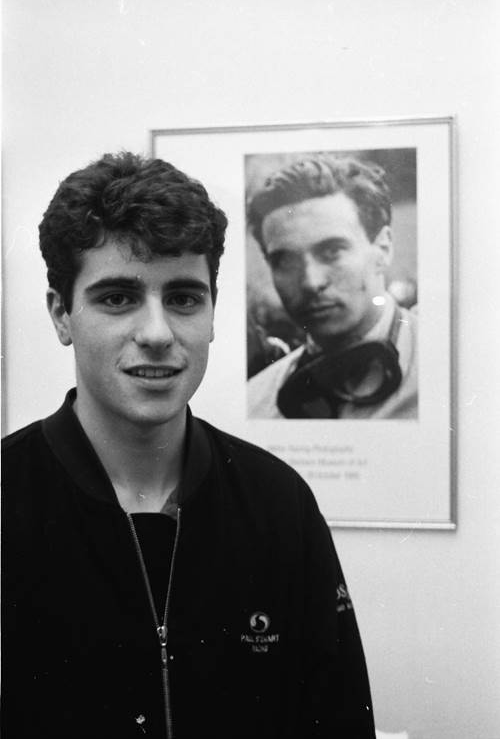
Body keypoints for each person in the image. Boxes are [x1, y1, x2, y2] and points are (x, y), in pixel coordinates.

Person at [1, 152, 376, 739]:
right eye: (118, 298)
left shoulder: (279, 504)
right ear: (61, 314)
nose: (156, 334)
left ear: (210, 314)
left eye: (182, 298)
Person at [247, 155, 418, 419]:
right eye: (284, 261)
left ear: (383, 249)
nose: (311, 282)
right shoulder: (257, 403)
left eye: (332, 251)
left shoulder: (451, 372)